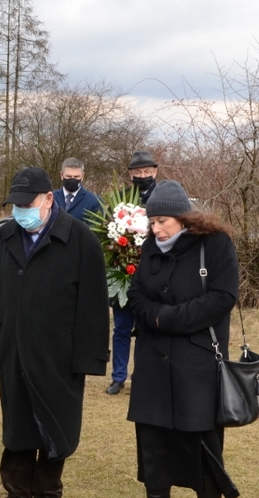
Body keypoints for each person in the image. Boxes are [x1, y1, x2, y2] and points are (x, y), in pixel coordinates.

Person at [0, 167, 110, 498]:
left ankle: (47, 497)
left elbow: (94, 307)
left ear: (48, 199)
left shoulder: (81, 240)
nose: (20, 210)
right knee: (17, 425)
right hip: (14, 350)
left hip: (59, 356)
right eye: (14, 204)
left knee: (54, 424)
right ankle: (17, 496)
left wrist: (89, 358)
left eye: (28, 203)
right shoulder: (4, 238)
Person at [125, 180, 240, 498]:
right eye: (151, 221)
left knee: (202, 447)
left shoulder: (215, 244)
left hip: (197, 364)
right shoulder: (148, 250)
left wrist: (168, 319)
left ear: (184, 217)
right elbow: (137, 295)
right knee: (153, 445)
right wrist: (157, 318)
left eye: (162, 221)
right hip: (154, 366)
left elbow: (223, 297)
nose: (155, 229)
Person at [106, 150, 160, 396]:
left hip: (153, 274)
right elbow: (107, 231)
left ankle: (144, 375)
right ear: (131, 174)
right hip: (124, 273)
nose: (143, 176)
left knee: (148, 329)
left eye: (147, 172)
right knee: (122, 328)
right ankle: (118, 377)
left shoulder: (162, 197)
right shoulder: (120, 201)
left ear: (155, 172)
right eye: (138, 172)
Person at [51, 157, 102, 223]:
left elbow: (95, 229)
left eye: (76, 177)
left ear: (83, 176)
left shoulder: (95, 201)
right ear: (61, 175)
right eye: (68, 176)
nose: (72, 180)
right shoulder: (50, 198)